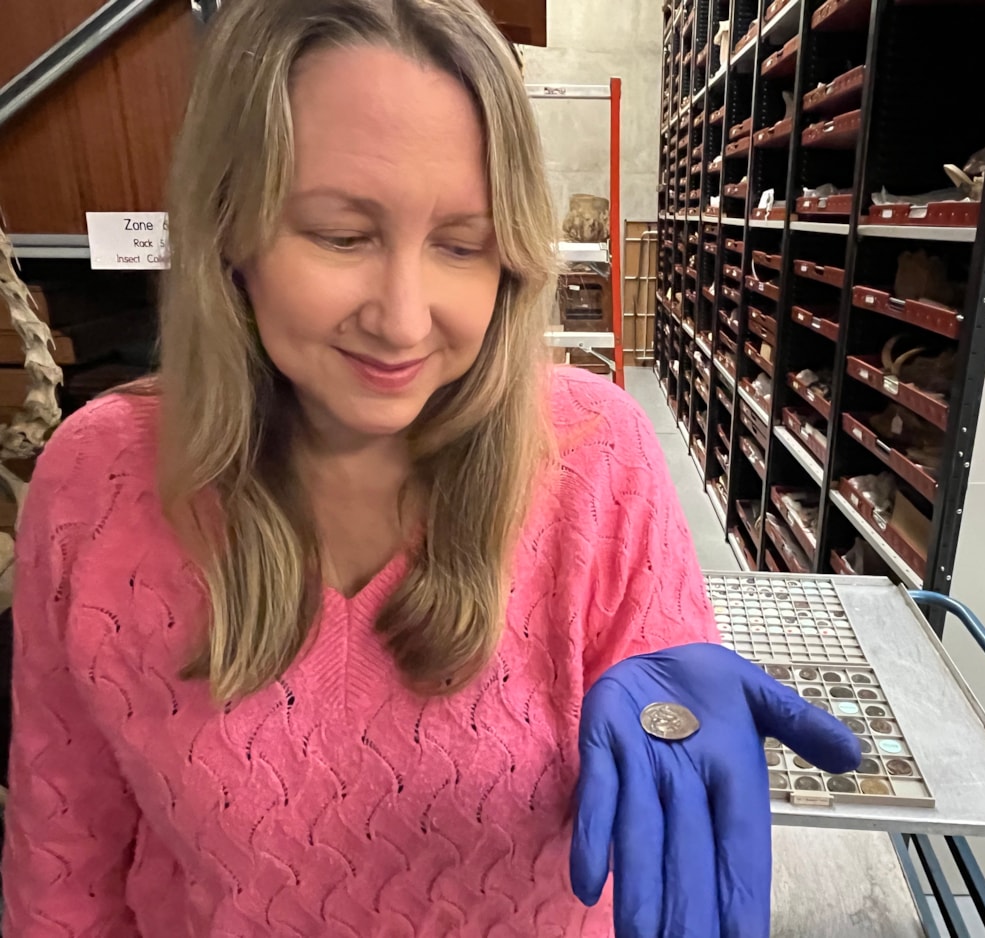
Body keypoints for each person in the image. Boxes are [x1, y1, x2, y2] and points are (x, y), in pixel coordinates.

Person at [2, 1, 859, 935]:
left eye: (462, 245)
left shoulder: (596, 457)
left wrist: (676, 718)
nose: (405, 320)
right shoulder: (98, 482)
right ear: (228, 232)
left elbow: (664, 704)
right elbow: (66, 865)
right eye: (341, 234)